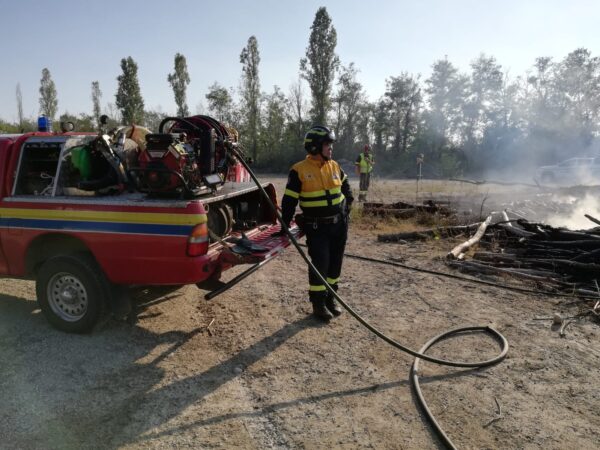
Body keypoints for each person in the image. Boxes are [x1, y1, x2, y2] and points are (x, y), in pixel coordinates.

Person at [279, 125, 354, 321]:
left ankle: (331, 298)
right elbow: (289, 201)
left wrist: (348, 205)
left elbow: (346, 186)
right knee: (321, 263)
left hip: (339, 225)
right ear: (314, 147)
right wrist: (284, 225)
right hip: (317, 228)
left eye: (331, 144)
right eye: (327, 144)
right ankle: (318, 304)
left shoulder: (334, 165)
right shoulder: (299, 170)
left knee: (335, 264)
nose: (331, 148)